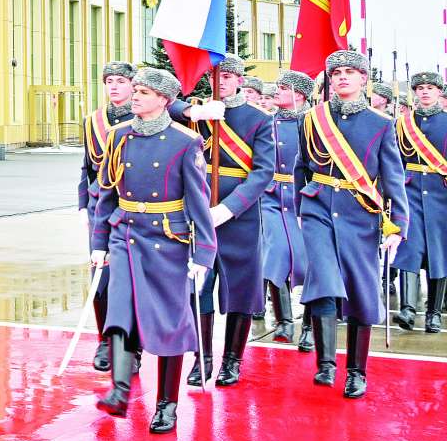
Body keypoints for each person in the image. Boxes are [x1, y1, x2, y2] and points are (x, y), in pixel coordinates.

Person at [90, 67, 216, 434]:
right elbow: (107, 193)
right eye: (136, 90)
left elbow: (198, 201)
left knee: (169, 321)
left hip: (167, 238)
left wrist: (203, 253)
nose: (136, 96)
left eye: (144, 92)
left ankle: (167, 404)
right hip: (126, 233)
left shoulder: (185, 141)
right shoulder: (118, 136)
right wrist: (99, 242)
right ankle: (120, 389)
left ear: (164, 100)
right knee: (120, 310)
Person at [299, 50, 409, 399]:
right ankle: (326, 364)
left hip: (361, 213)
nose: (342, 77)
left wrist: (397, 224)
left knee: (361, 290)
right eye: (336, 72)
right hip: (318, 208)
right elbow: (303, 165)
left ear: (364, 78)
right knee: (323, 281)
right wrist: (301, 206)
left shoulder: (381, 124)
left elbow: (392, 177)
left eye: (350, 71)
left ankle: (357, 372)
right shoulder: (312, 118)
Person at [170, 54, 274, 388]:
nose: (221, 82)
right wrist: (194, 112)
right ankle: (202, 358)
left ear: (240, 80)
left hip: (239, 215)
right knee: (198, 285)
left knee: (241, 288)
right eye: (216, 76)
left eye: (228, 76)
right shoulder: (198, 112)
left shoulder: (259, 118)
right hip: (198, 209)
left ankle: (232, 360)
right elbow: (165, 106)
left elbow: (263, 172)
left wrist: (229, 208)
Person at [391, 72, 447, 334]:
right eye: (420, 88)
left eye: (430, 87)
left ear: (439, 92)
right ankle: (407, 309)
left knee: (439, 254)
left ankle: (434, 313)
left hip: (443, 195)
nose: (425, 92)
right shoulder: (402, 123)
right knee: (408, 248)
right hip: (410, 193)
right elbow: (393, 161)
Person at [80, 60, 136, 374]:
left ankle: (130, 347)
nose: (113, 86)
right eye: (109, 81)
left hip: (131, 204)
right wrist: (82, 206)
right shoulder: (93, 121)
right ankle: (104, 340)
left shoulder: (143, 118)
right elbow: (87, 167)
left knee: (131, 279)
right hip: (98, 206)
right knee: (100, 276)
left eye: (120, 81)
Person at [263, 71, 313, 348]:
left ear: (299, 94)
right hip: (271, 196)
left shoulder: (313, 123)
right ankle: (284, 321)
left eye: (283, 88)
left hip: (303, 196)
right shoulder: (267, 122)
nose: (277, 91)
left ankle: (310, 326)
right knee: (275, 254)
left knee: (313, 261)